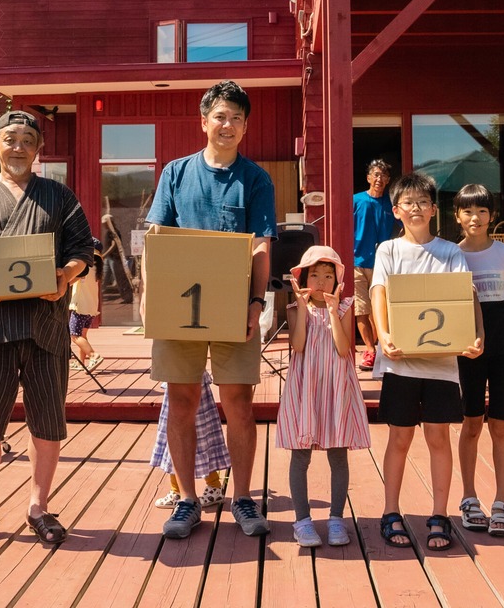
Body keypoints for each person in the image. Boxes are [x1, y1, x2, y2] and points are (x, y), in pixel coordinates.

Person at [0, 110, 94, 550]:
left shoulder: (58, 196)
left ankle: (38, 506)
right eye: (10, 139)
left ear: (38, 149)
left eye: (28, 140)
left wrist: (65, 276)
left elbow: (82, 249)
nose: (19, 147)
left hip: (46, 326)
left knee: (47, 420)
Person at [141, 80, 277, 539]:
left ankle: (242, 497)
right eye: (220, 116)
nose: (228, 125)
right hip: (178, 308)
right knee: (181, 400)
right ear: (204, 122)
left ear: (245, 127)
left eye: (237, 118)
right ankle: (186, 499)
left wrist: (256, 303)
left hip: (234, 307)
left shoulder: (257, 179)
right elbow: (156, 238)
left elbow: (260, 246)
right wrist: (147, 295)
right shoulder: (176, 173)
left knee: (238, 402)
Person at [370, 171, 484, 552]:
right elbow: (379, 293)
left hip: (441, 364)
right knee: (399, 437)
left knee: (438, 437)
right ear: (396, 210)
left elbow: (466, 298)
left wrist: (475, 336)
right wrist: (383, 335)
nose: (415, 209)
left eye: (423, 202)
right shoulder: (388, 249)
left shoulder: (451, 251)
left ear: (434, 209)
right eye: (408, 203)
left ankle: (440, 513)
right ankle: (390, 511)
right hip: (401, 362)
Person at [277, 245, 371, 548]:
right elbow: (299, 346)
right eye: (314, 274)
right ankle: (302, 521)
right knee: (300, 454)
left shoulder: (344, 308)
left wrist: (332, 311)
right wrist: (302, 307)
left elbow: (344, 349)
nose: (320, 281)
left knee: (338, 453)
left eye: (327, 275)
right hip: (306, 388)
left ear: (337, 280)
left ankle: (335, 518)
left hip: (336, 387)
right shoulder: (295, 309)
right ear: (303, 277)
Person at [453, 184, 504, 537]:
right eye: (468, 211)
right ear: (457, 216)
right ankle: (469, 498)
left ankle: (501, 501)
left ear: (491, 216)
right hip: (466, 345)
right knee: (471, 422)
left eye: (482, 211)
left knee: (500, 423)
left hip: (503, 344)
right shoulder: (449, 256)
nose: (475, 218)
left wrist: (492, 328)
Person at [150, 371, 229, 510]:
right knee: (202, 440)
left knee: (177, 443)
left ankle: (177, 491)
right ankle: (213, 486)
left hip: (182, 384)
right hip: (190, 384)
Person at [353, 159, 398, 370]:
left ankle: (382, 347)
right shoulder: (356, 200)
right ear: (369, 177)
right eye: (376, 174)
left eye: (383, 176)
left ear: (388, 180)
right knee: (361, 308)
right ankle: (370, 350)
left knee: (381, 309)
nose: (379, 179)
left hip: (384, 264)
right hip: (357, 261)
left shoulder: (392, 205)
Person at [69, 238, 104, 373]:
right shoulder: (97, 268)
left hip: (80, 306)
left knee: (74, 335)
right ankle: (82, 362)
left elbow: (71, 281)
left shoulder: (84, 266)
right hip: (91, 308)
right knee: (82, 335)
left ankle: (93, 356)